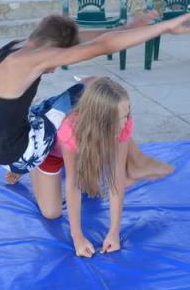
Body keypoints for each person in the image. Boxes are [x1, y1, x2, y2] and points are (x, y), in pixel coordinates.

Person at [0, 10, 190, 187]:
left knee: (47, 107)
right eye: (58, 60)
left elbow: (90, 40)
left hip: (3, 149)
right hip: (21, 153)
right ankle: (134, 164)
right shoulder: (29, 61)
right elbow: (102, 46)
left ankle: (22, 166)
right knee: (95, 85)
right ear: (53, 49)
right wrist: (164, 27)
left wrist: (128, 27)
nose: (54, 69)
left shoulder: (19, 47)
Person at [37, 77, 139, 256]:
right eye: (121, 117)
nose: (126, 122)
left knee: (95, 178)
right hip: (51, 152)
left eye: (127, 113)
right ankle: (29, 167)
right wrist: (77, 237)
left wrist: (114, 232)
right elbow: (73, 183)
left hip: (86, 146)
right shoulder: (71, 130)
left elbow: (117, 176)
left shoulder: (124, 123)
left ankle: (88, 159)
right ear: (102, 119)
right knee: (51, 212)